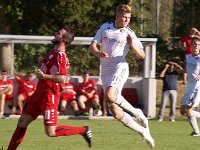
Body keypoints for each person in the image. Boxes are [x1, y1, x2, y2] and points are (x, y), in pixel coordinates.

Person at [7, 26, 92, 150]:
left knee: (51, 132)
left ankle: (84, 130)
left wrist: (44, 76)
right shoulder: (53, 53)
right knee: (22, 122)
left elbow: (62, 78)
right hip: (38, 94)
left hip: (49, 96)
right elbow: (51, 69)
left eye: (58, 33)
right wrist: (42, 62)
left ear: (65, 40)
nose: (55, 33)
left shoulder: (61, 56)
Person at [89, 2, 155, 148]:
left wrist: (132, 45)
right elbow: (92, 46)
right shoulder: (105, 27)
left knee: (110, 95)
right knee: (116, 113)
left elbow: (142, 55)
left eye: (129, 18)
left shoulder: (129, 32)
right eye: (124, 17)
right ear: (117, 16)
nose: (126, 20)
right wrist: (98, 52)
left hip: (120, 67)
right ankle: (143, 131)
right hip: (105, 71)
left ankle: (136, 112)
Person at [180, 37, 200, 136]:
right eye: (195, 44)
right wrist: (178, 69)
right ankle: (196, 131)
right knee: (182, 111)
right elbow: (186, 70)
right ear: (191, 45)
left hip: (197, 86)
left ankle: (196, 132)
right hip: (189, 86)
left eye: (198, 44)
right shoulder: (188, 57)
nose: (196, 46)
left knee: (188, 110)